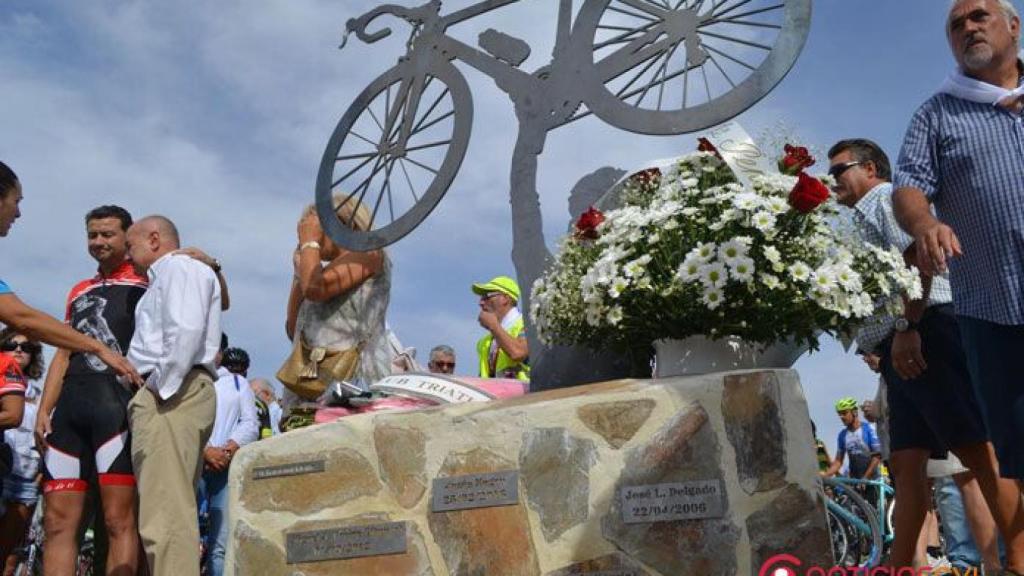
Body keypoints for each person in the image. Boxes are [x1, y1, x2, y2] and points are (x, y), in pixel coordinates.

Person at [895, 0, 1024, 493]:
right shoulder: (936, 114)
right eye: (956, 25)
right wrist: (924, 221)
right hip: (993, 308)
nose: (968, 28)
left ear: (1013, 26)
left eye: (979, 17)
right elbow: (909, 186)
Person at [124, 215, 221, 576]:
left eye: (131, 246)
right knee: (167, 510)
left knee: (165, 516)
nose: (128, 256)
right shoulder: (171, 275)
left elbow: (186, 330)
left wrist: (159, 387)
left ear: (153, 239)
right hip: (174, 390)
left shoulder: (177, 268)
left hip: (171, 393)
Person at [0, 164, 141, 392]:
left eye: (107, 234)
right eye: (16, 202)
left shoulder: (148, 278)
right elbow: (22, 318)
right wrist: (99, 348)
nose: (18, 213)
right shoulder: (80, 291)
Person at [284, 199, 392, 404]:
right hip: (309, 385)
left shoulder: (369, 253)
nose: (308, 232)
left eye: (314, 226)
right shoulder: (316, 276)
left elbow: (316, 289)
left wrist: (310, 244)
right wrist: (300, 271)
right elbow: (293, 328)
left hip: (352, 386)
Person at [200, 344, 257, 576]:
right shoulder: (239, 384)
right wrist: (227, 450)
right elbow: (250, 425)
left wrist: (206, 451)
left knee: (185, 537)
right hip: (224, 464)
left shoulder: (200, 380)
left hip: (197, 460)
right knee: (219, 545)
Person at [0, 330, 40, 575]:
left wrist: (39, 479)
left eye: (25, 347)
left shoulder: (41, 396)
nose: (18, 350)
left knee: (8, 557)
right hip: (2, 471)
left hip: (25, 480)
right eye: (10, 344)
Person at [472, 276, 529, 382]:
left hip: (527, 396)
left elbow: (518, 353)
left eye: (486, 296)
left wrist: (493, 326)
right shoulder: (484, 342)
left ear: (505, 299)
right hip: (498, 397)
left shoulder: (527, 324)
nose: (481, 303)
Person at [824, 397, 882, 481]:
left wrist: (865, 477)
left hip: (872, 479)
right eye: (839, 414)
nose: (842, 417)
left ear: (854, 412)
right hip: (854, 479)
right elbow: (838, 462)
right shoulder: (842, 435)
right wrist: (825, 475)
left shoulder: (869, 429)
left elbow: (877, 457)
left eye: (844, 413)